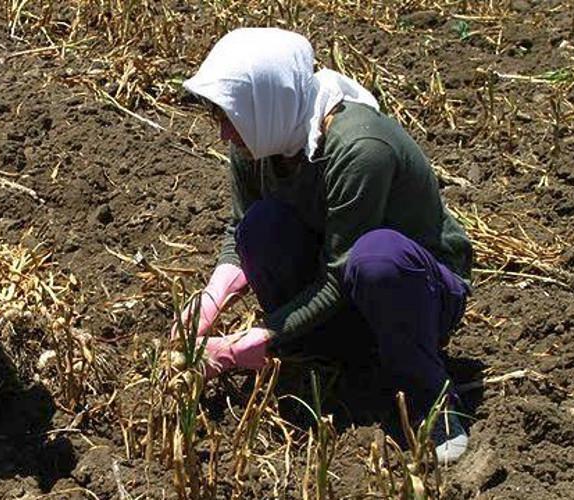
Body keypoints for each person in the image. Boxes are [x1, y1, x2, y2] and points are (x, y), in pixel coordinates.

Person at [177, 29, 473, 464]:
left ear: (267, 100)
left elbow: (343, 269)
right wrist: (212, 296)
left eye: (229, 117)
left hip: (416, 295)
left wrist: (266, 333)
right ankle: (322, 349)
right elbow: (238, 227)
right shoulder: (259, 138)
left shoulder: (359, 148)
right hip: (339, 288)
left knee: (378, 258)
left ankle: (427, 393)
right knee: (261, 228)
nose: (223, 134)